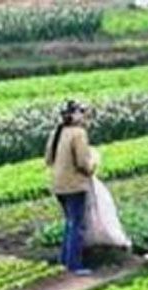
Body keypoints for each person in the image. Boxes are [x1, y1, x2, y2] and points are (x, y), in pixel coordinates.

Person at [45, 100, 97, 276]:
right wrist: (93, 165)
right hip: (74, 185)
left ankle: (64, 261)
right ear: (74, 115)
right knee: (76, 224)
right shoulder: (78, 133)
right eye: (82, 113)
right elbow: (83, 163)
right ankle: (74, 265)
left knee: (70, 222)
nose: (84, 116)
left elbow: (48, 159)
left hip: (58, 184)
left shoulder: (58, 132)